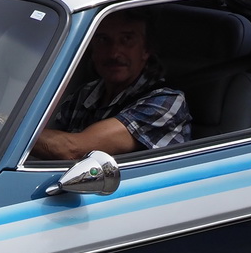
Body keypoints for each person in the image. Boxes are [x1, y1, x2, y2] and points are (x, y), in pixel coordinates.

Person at [32, 10, 190, 158]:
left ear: (146, 50)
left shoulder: (165, 103)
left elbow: (73, 149)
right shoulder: (85, 93)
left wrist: (15, 126)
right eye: (103, 40)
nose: (114, 53)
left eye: (127, 40)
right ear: (92, 49)